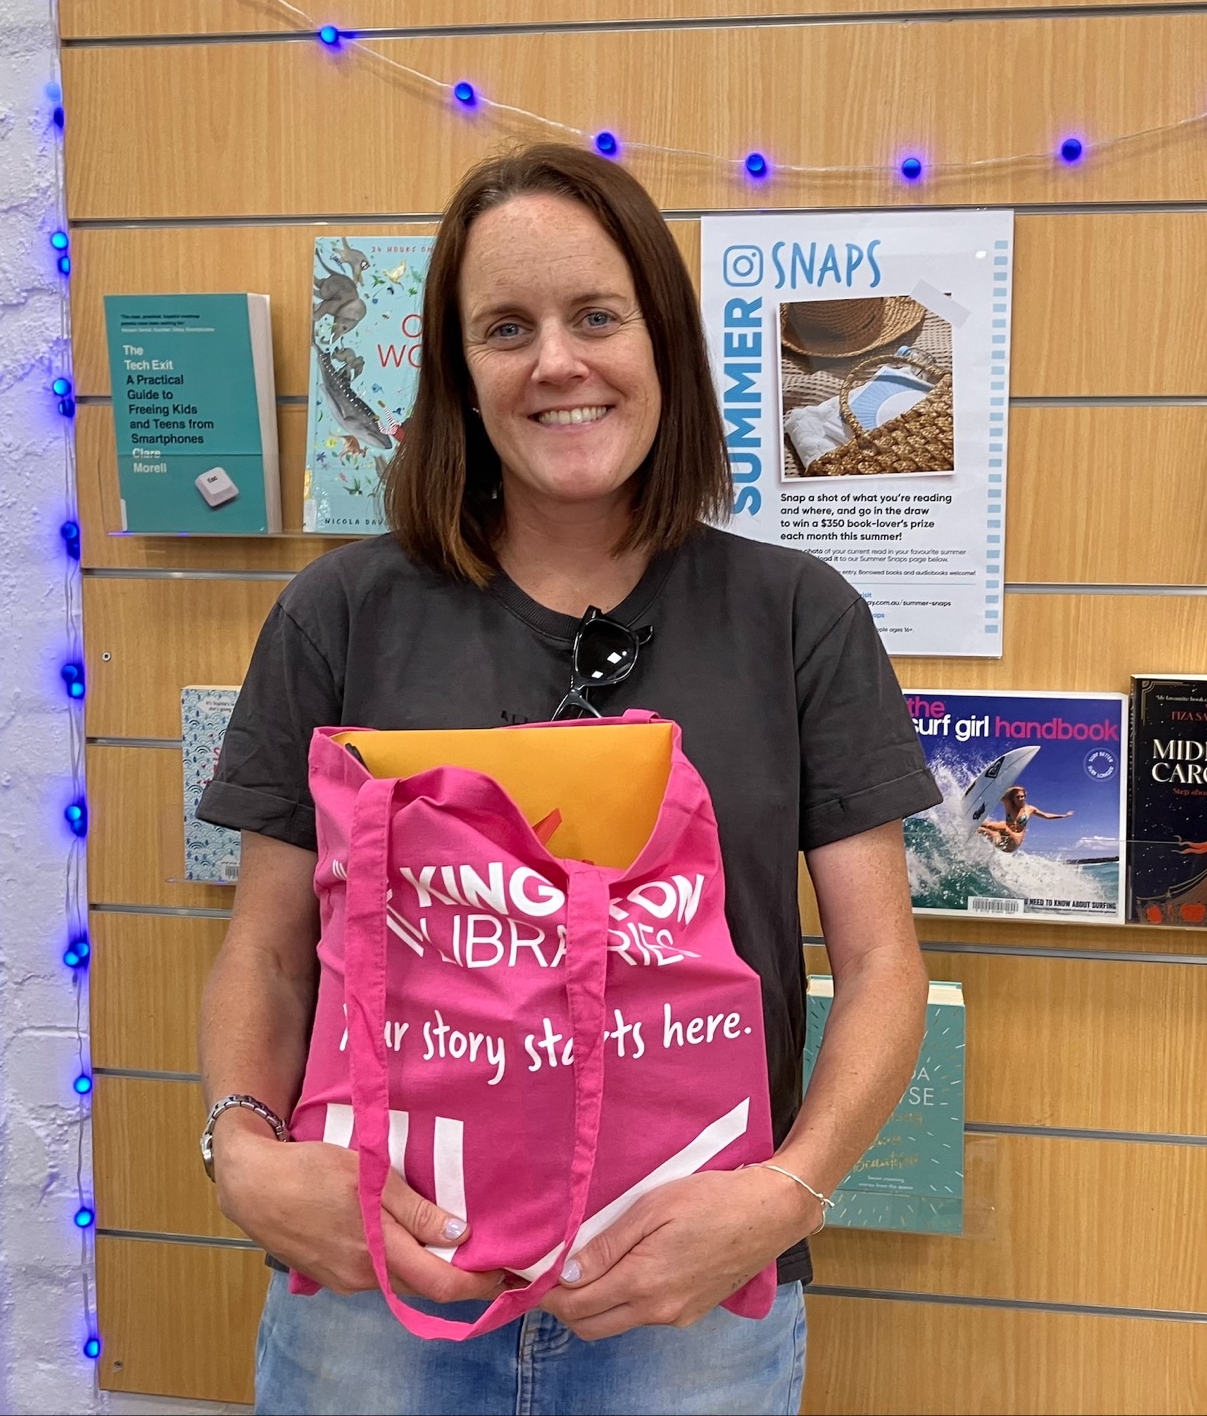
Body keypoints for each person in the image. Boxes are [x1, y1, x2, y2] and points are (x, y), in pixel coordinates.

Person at [194, 142, 938, 1415]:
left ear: (664, 345)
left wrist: (784, 1196)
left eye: (597, 315)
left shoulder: (797, 617)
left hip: (690, 1303)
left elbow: (880, 964)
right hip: (380, 1297)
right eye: (505, 327)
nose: (555, 362)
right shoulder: (340, 613)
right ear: (457, 371)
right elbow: (264, 952)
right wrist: (241, 1149)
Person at [975, 784, 1071, 854]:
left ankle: (979, 824)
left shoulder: (1030, 809)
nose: (1020, 799)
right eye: (1018, 797)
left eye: (1022, 796)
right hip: (1002, 842)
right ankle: (970, 826)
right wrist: (1013, 789)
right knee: (983, 829)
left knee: (1003, 825)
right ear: (1013, 798)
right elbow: (997, 795)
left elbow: (1046, 816)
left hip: (1013, 843)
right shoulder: (1008, 805)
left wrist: (1063, 816)